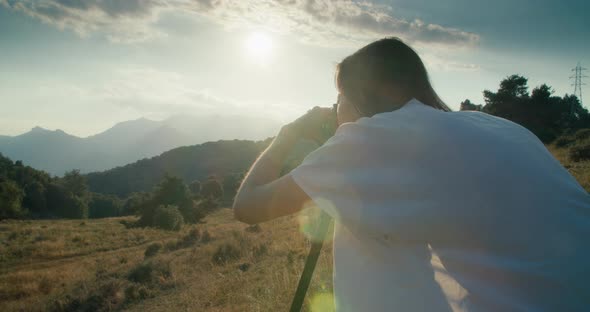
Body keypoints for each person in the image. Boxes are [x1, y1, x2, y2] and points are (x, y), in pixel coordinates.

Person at [232, 37, 590, 311]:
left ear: (359, 95)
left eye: (338, 98)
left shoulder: (367, 141)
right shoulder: (498, 126)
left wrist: (284, 138)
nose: (335, 109)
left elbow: (247, 207)